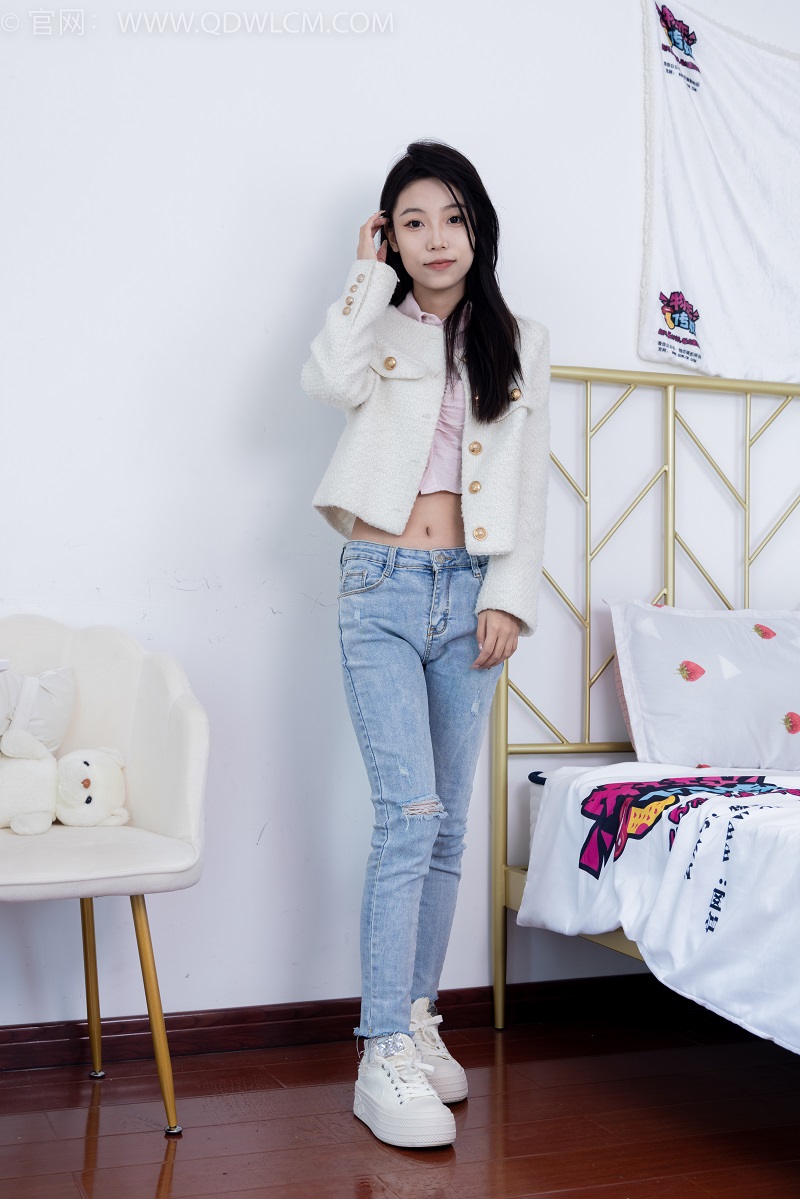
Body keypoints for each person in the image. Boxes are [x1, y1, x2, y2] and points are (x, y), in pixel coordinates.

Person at [300, 140, 550, 1149]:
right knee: (407, 816)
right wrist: (363, 279)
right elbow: (326, 381)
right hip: (380, 587)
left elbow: (528, 483)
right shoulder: (376, 324)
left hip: (471, 592)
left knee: (446, 828)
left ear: (476, 226)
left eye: (451, 217)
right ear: (389, 238)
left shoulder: (520, 341)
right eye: (411, 222)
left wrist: (511, 598)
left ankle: (414, 1016)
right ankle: (378, 1051)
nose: (435, 238)